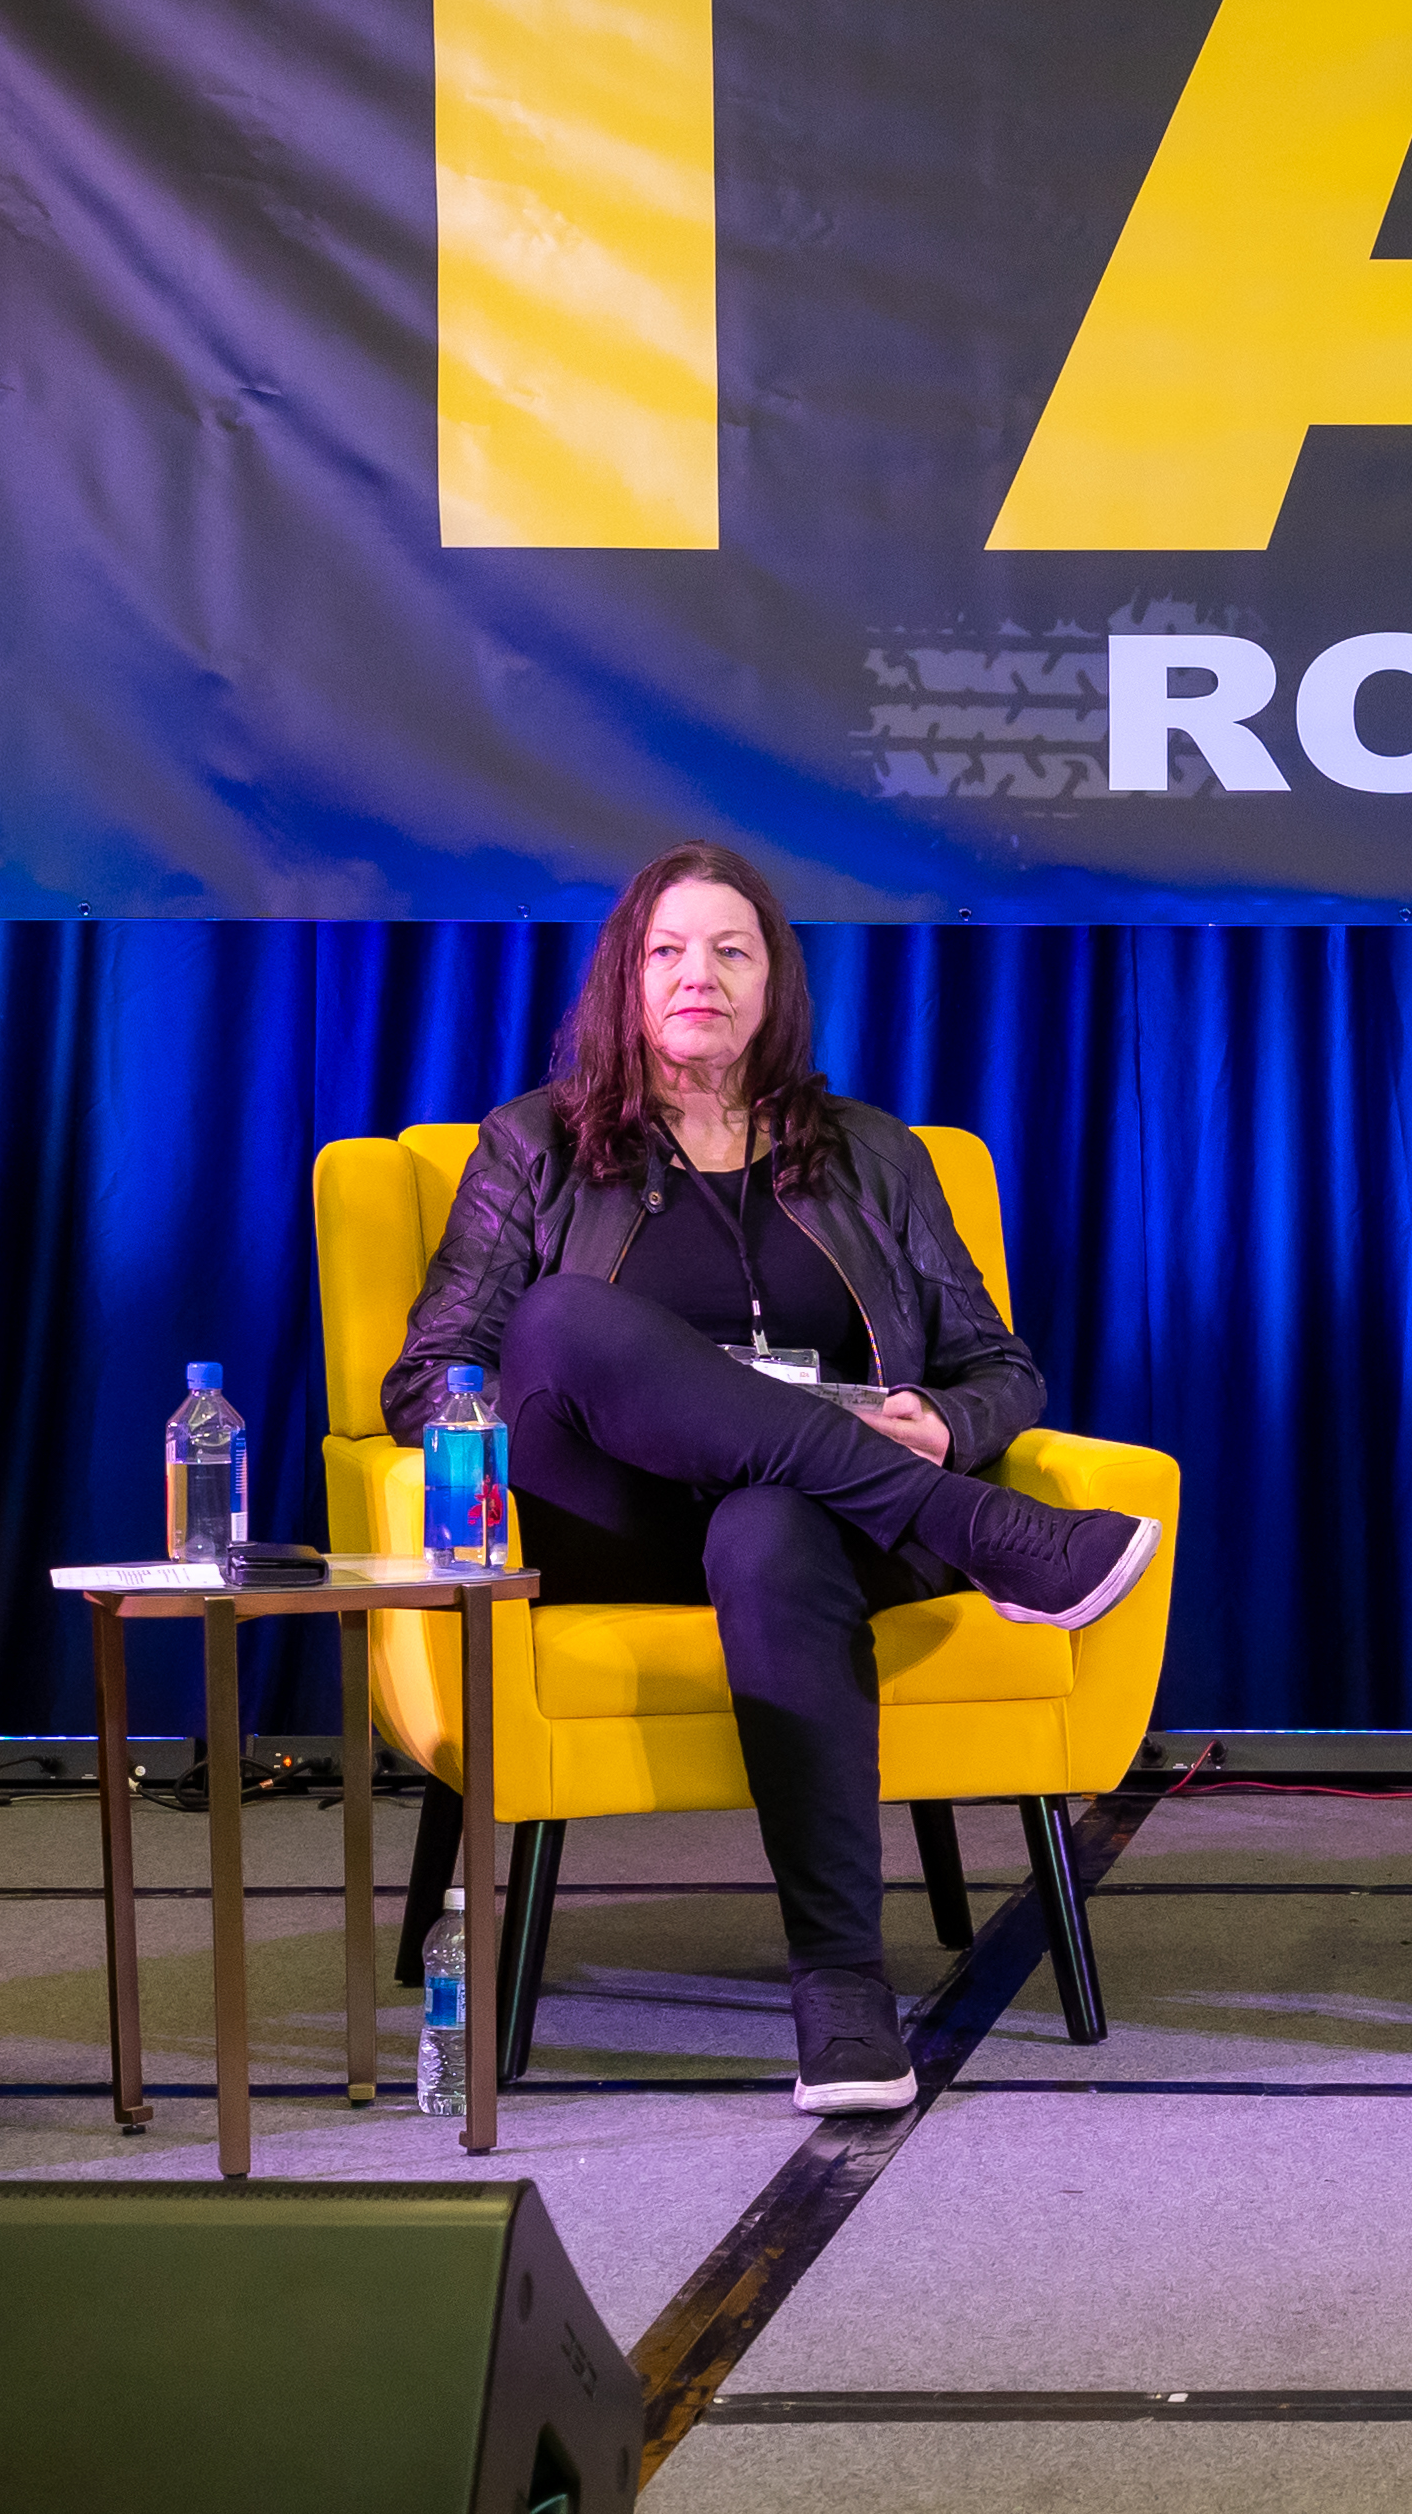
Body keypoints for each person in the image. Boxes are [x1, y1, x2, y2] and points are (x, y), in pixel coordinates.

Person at [385, 840, 1156, 2117]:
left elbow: (999, 1366)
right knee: (566, 1321)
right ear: (625, 980)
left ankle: (842, 1991)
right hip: (610, 1519)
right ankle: (983, 1533)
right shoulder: (533, 1145)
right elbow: (428, 1380)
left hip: (819, 1529)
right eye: (670, 950)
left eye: (732, 950)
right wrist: (938, 1481)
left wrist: (942, 1423)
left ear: (775, 983)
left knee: (766, 1527)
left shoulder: (871, 1153)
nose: (702, 976)